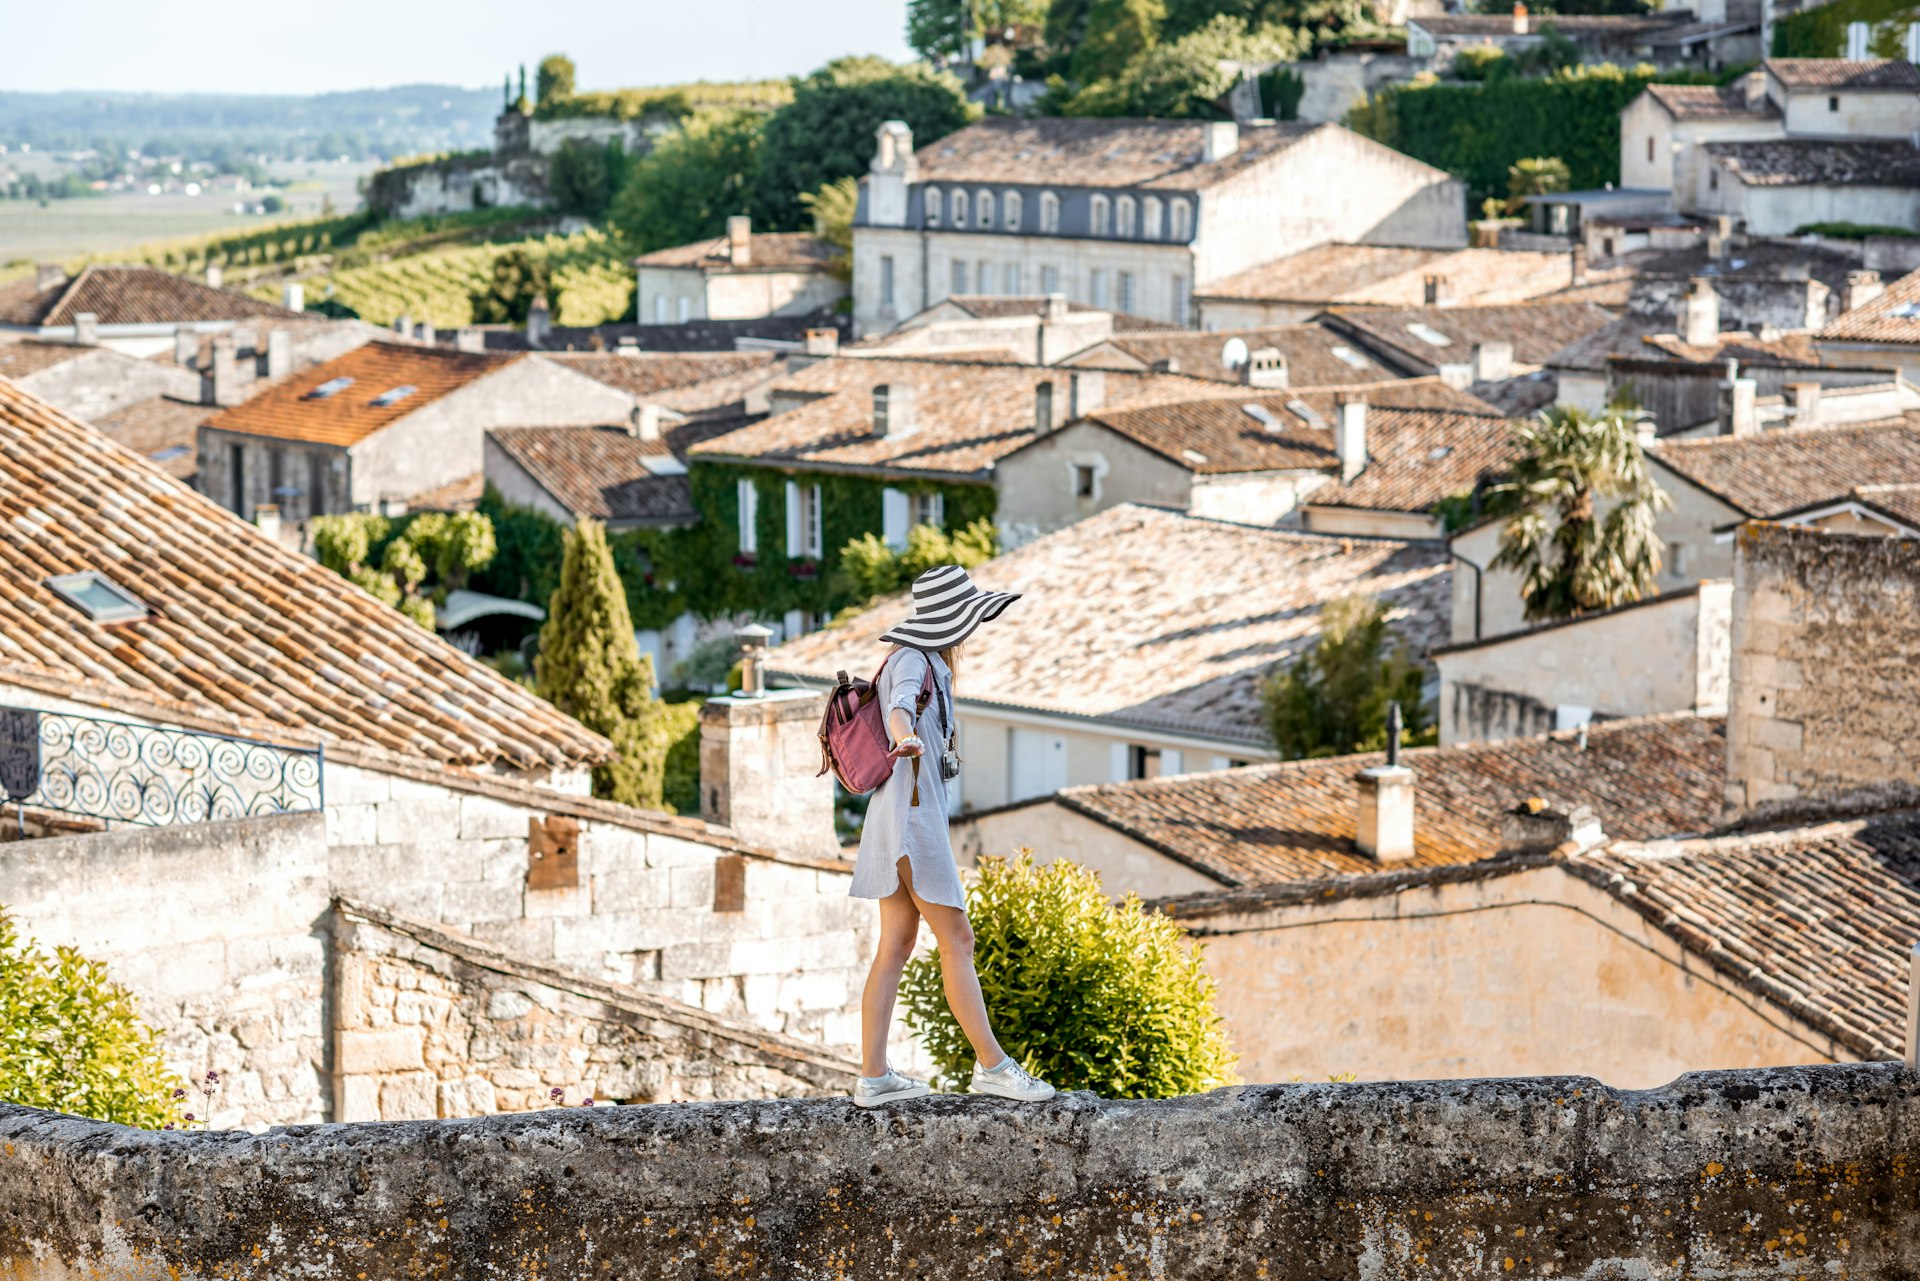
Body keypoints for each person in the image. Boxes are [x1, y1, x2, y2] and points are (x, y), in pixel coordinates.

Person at [848, 564, 1055, 1107]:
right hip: (912, 820)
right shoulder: (915, 660)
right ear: (952, 621)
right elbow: (897, 708)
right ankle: (993, 1067)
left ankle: (874, 1078)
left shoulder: (927, 662)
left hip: (894, 816)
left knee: (894, 945)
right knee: (957, 940)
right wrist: (906, 738)